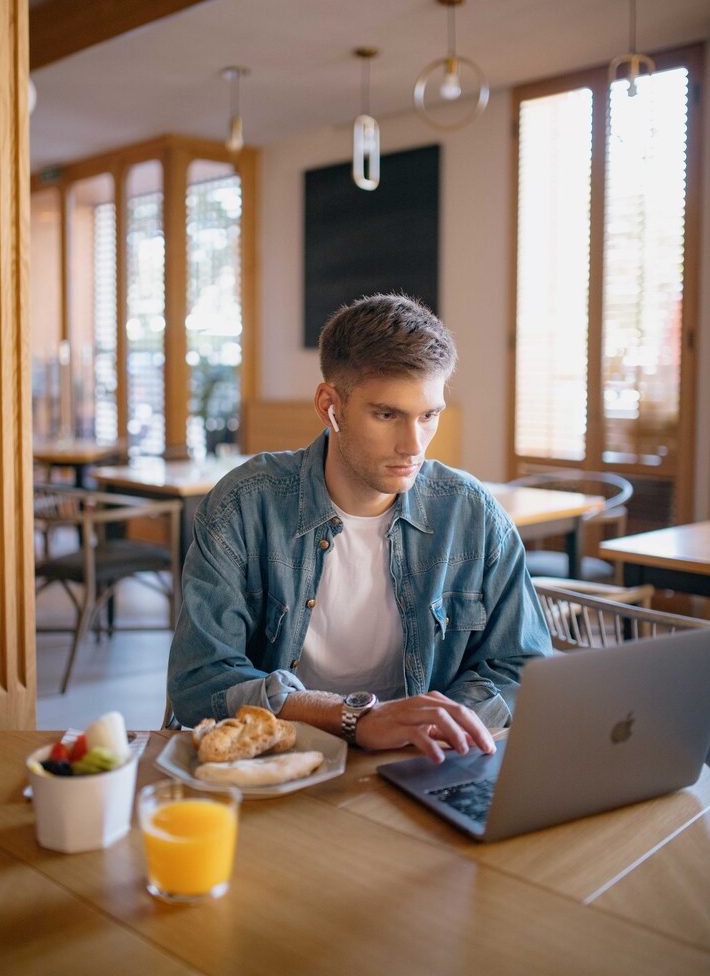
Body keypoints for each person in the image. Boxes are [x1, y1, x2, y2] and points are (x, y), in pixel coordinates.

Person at [168, 293, 551, 762]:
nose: (413, 445)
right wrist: (356, 718)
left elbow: (522, 666)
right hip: (283, 762)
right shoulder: (243, 506)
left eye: (428, 415)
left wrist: (430, 725)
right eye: (387, 415)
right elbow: (199, 682)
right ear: (330, 405)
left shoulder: (472, 513)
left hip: (422, 762)